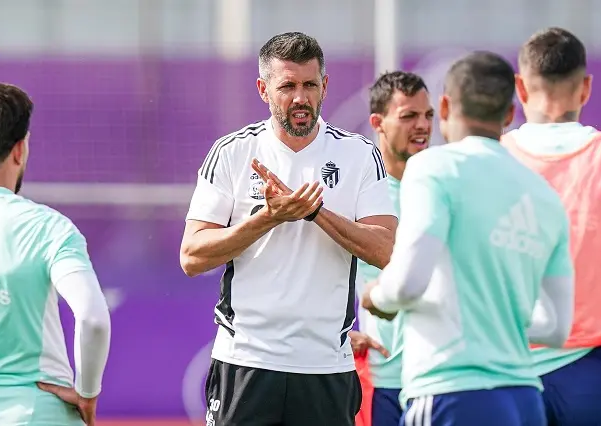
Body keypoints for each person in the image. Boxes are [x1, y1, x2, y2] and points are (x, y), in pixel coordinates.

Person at [180, 32, 398, 426]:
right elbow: (192, 257)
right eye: (287, 87)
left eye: (310, 85)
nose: (300, 97)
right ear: (263, 90)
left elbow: (386, 251)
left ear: (325, 86)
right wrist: (268, 217)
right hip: (246, 360)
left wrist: (315, 213)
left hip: (325, 366)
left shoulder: (359, 154)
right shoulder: (232, 152)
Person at [360, 51, 575, 426]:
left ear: (444, 107)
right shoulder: (542, 194)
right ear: (509, 114)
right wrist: (494, 320)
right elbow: (557, 328)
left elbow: (408, 285)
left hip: (451, 392)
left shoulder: (432, 168)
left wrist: (375, 296)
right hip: (525, 398)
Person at [0, 83, 111, 426]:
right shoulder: (48, 226)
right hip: (36, 412)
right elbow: (93, 318)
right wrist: (87, 391)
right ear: (19, 150)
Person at [501, 27, 601, 425]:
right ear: (585, 88)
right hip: (591, 374)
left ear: (520, 87)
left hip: (502, 369)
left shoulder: (491, 160)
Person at [350, 71, 433, 426]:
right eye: (409, 116)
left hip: (439, 377)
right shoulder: (359, 195)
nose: (423, 125)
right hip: (383, 380)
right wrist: (336, 335)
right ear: (377, 123)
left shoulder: (442, 188)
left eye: (428, 115)